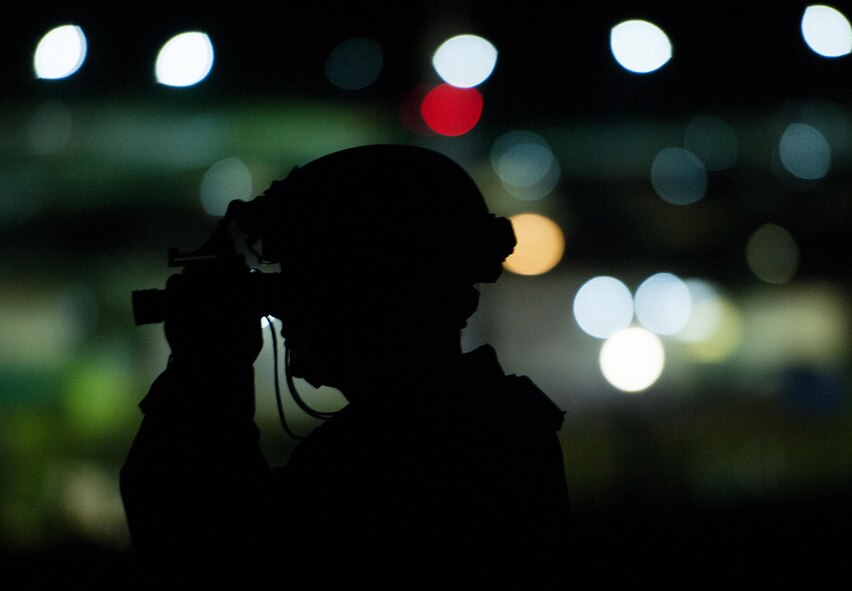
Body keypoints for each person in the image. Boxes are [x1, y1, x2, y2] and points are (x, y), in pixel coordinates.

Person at [120, 144, 570, 589]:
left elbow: (201, 551)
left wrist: (206, 368)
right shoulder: (490, 428)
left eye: (303, 276)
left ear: (364, 291)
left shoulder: (393, 461)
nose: (285, 304)